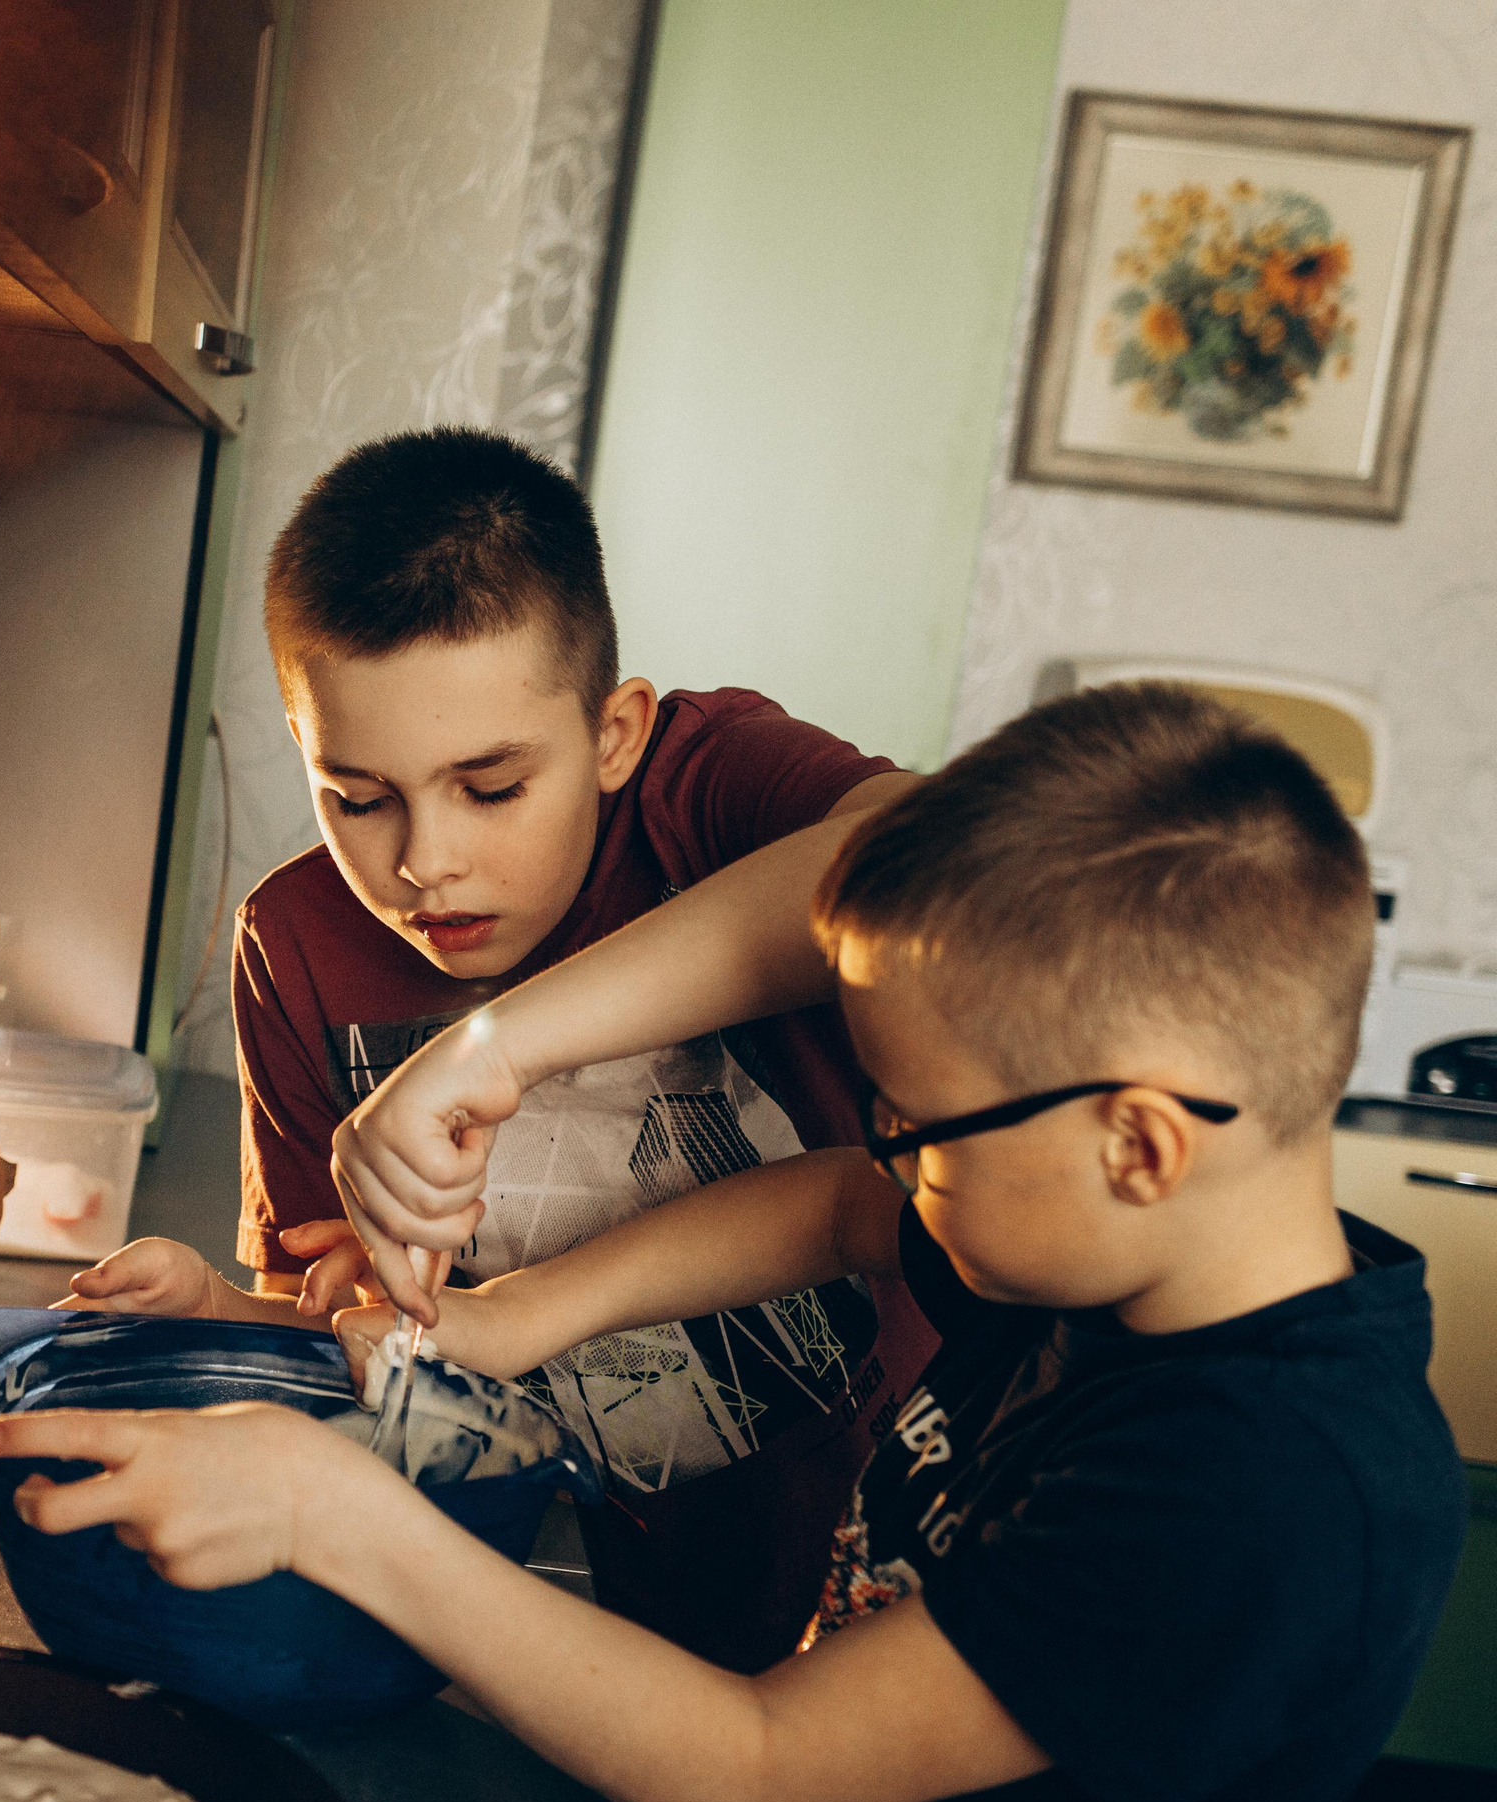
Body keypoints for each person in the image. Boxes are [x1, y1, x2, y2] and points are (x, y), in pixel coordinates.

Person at [0, 684, 1468, 1802]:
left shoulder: (1268, 1496)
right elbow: (833, 1208)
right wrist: (518, 1316)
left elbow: (756, 1762)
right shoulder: (1134, 1245)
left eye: (916, 1126)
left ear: (1135, 1139)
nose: (892, 1157)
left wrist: (332, 1514)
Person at [64, 426, 927, 1669]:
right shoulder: (293, 946)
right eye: (356, 797)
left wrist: (496, 1042)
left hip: (867, 1571)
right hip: (545, 1605)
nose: (425, 860)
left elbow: (942, 860)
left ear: (616, 733)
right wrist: (220, 1312)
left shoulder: (702, 788)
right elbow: (368, 1334)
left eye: (492, 784)